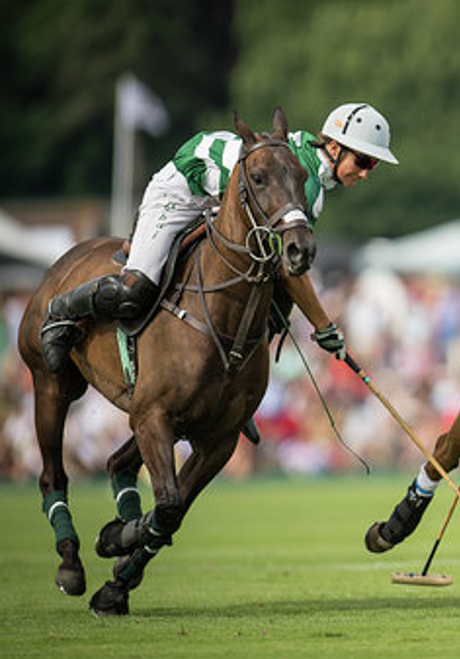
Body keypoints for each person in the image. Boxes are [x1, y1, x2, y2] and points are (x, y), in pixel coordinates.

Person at [40, 103, 398, 438]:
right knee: (137, 286)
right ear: (333, 148)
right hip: (182, 192)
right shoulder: (305, 181)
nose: (366, 173)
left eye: (373, 166)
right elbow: (291, 270)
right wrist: (324, 326)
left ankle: (235, 397)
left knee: (271, 308)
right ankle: (64, 311)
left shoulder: (305, 169)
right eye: (363, 161)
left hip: (221, 202)